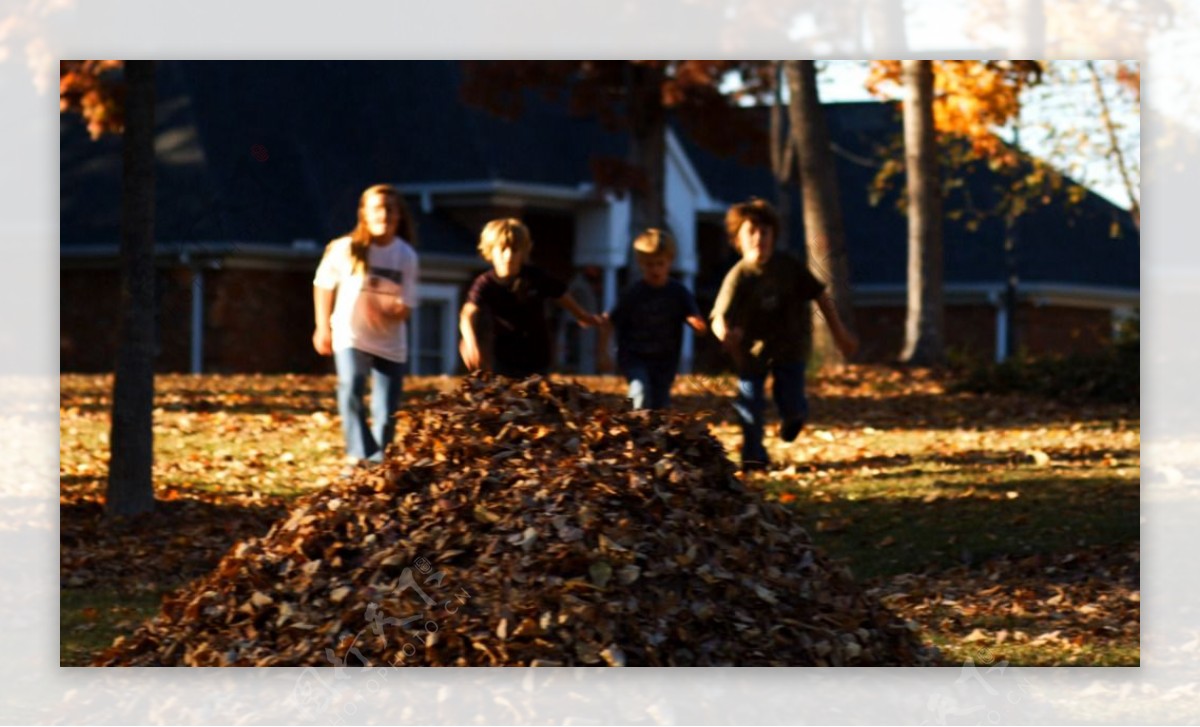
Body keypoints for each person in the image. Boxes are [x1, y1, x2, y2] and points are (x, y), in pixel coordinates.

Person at [710, 198, 858, 472]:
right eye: (751, 232)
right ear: (737, 240)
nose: (758, 239)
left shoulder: (788, 267)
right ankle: (754, 458)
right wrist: (724, 334)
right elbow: (718, 316)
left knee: (791, 402)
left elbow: (821, 296)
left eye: (764, 232)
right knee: (749, 407)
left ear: (774, 236)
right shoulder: (738, 276)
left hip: (790, 347)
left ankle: (793, 417)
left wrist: (839, 333)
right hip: (751, 354)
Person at [312, 184, 419, 469]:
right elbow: (323, 284)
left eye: (389, 208)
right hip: (351, 334)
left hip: (390, 342)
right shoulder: (346, 248)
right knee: (351, 385)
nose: (383, 214)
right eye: (376, 208)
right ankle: (360, 455)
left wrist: (395, 310)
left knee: (385, 415)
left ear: (398, 215)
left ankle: (376, 469)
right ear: (364, 214)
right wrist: (322, 326)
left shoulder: (406, 255)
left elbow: (407, 304)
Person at [459, 218, 601, 378]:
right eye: (503, 249)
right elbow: (468, 314)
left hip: (538, 355)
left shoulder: (535, 277)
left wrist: (581, 315)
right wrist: (470, 342)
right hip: (504, 357)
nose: (509, 256)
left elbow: (561, 295)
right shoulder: (485, 284)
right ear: (490, 251)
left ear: (524, 252)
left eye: (514, 250)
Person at [598, 228, 708, 410]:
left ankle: (653, 437)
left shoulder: (678, 292)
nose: (655, 269)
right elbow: (610, 321)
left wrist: (698, 325)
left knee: (660, 405)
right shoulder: (633, 293)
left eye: (660, 263)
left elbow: (692, 315)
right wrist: (603, 353)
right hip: (634, 356)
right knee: (639, 392)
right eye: (649, 265)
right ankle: (634, 429)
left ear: (670, 262)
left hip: (665, 360)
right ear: (641, 263)